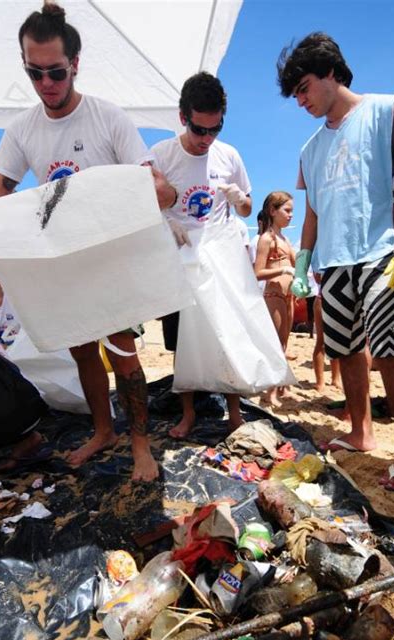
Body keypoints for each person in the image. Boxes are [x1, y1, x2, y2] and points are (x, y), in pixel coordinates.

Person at [0, 3, 177, 480]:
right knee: (83, 350)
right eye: (35, 72)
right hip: (61, 259)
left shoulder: (107, 118)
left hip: (109, 256)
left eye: (56, 72)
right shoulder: (23, 129)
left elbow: (153, 181)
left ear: (76, 64)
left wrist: (160, 189)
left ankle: (140, 444)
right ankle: (103, 430)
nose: (47, 83)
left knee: (123, 348)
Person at [278, 32, 394, 492]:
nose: (300, 99)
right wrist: (304, 261)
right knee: (345, 349)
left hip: (384, 251)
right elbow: (313, 213)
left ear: (330, 72)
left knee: (389, 348)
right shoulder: (309, 148)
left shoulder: (386, 109)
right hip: (335, 261)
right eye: (294, 94)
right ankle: (361, 430)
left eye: (304, 87)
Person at [150, 71, 252, 439]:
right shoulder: (160, 155)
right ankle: (188, 414)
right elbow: (143, 203)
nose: (206, 139)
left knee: (226, 337)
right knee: (183, 344)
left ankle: (235, 413)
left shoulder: (229, 156)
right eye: (199, 130)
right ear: (182, 117)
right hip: (179, 259)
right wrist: (167, 224)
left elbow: (246, 208)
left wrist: (240, 201)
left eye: (215, 130)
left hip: (220, 260)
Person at [254, 191, 295, 405]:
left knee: (284, 344)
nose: (291, 215)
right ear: (273, 210)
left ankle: (281, 387)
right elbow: (257, 272)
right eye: (287, 210)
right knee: (275, 345)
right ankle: (270, 393)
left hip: (287, 296)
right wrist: (284, 270)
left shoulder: (284, 239)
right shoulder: (267, 238)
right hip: (273, 294)